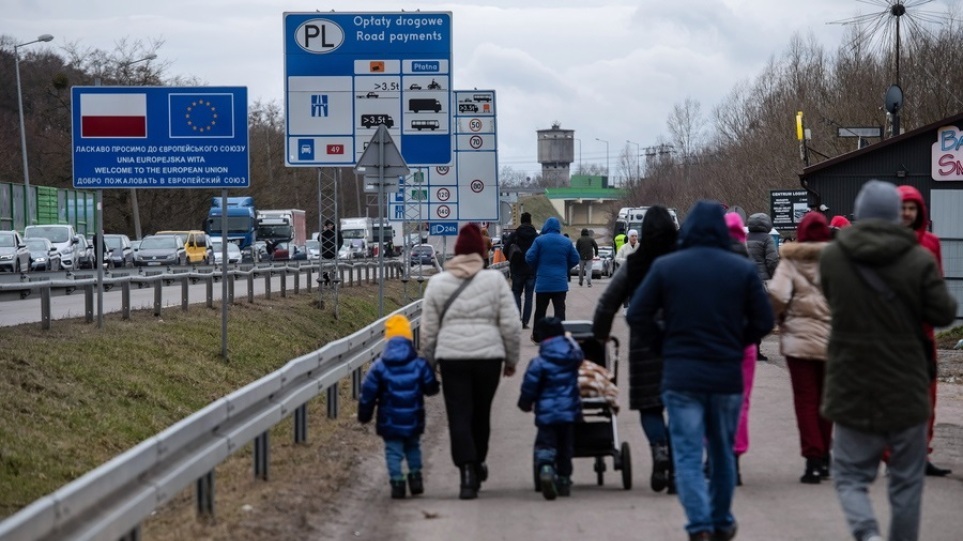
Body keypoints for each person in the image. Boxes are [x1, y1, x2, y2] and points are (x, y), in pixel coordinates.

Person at [627, 201, 773, 541]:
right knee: (720, 451)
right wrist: (738, 342)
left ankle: (699, 525)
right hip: (725, 375)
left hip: (681, 375)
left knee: (688, 453)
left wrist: (663, 344)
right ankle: (721, 519)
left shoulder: (667, 267)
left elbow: (637, 314)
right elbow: (765, 320)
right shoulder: (741, 269)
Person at [820, 180, 956, 541]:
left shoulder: (833, 258)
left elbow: (831, 302)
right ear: (897, 214)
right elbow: (944, 312)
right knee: (907, 482)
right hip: (907, 383)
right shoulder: (919, 257)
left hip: (851, 381)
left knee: (849, 475)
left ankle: (867, 534)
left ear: (860, 214)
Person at [420, 223, 521, 500]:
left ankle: (466, 470)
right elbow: (511, 324)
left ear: (456, 252)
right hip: (489, 359)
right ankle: (478, 462)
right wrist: (511, 359)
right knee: (480, 413)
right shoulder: (495, 282)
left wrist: (428, 362)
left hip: (452, 359)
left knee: (458, 414)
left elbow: (428, 328)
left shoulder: (438, 283)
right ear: (481, 251)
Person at [593, 205, 678, 494]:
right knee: (681, 408)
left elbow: (608, 303)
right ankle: (678, 469)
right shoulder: (684, 259)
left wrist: (600, 336)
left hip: (645, 344)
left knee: (650, 405)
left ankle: (659, 449)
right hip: (682, 343)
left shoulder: (635, 263)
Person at [767, 212, 833, 484]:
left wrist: (781, 317)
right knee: (827, 401)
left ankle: (813, 460)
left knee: (805, 400)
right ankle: (826, 457)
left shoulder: (790, 261)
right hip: (833, 341)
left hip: (798, 340)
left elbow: (778, 295)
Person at [898, 184, 951, 477]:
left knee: (926, 397)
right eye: (902, 208)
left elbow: (938, 284)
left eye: (911, 208)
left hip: (924, 333)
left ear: (919, 211)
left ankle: (921, 454)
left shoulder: (931, 243)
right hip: (893, 333)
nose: (907, 213)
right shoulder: (888, 242)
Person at [357, 314, 440, 499]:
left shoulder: (379, 367)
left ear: (387, 339)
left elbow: (368, 394)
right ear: (409, 338)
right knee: (413, 448)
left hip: (389, 421)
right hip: (413, 418)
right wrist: (433, 387)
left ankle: (397, 482)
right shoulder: (419, 364)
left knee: (393, 452)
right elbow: (431, 387)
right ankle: (416, 477)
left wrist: (364, 415)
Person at [518, 317, 584, 500]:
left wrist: (525, 403)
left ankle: (546, 468)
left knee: (546, 443)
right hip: (569, 412)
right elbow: (580, 355)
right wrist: (570, 340)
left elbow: (529, 386)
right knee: (565, 448)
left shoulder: (538, 363)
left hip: (547, 414)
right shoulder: (572, 357)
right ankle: (564, 479)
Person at [724, 212, 757, 487]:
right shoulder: (748, 266)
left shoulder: (708, 265)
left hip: (713, 344)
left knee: (712, 400)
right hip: (743, 344)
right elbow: (763, 314)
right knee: (741, 402)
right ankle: (734, 458)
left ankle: (715, 456)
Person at [525, 217, 580, 342]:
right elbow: (576, 258)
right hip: (560, 283)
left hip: (543, 282)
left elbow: (529, 257)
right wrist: (565, 267)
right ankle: (560, 336)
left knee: (540, 311)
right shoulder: (566, 241)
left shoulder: (539, 241)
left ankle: (538, 336)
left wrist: (536, 267)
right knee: (560, 310)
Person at [746, 212, 778, 360]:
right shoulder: (767, 239)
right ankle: (756, 349)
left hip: (745, 279)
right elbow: (772, 260)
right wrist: (775, 276)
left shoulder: (745, 237)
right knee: (758, 315)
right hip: (762, 280)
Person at [504, 212, 538, 329]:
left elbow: (505, 248)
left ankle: (517, 318)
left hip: (517, 269)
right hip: (531, 270)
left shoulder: (515, 234)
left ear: (521, 220)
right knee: (529, 296)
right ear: (530, 221)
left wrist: (511, 259)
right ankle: (525, 321)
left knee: (516, 294)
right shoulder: (535, 235)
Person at [319, 219, 342, 286]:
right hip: (324, 253)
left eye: (331, 225)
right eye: (328, 225)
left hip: (333, 253)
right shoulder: (324, 232)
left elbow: (341, 241)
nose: (330, 227)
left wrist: (337, 249)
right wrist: (324, 231)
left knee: (333, 269)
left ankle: (333, 282)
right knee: (324, 270)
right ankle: (326, 280)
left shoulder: (337, 232)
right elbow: (319, 239)